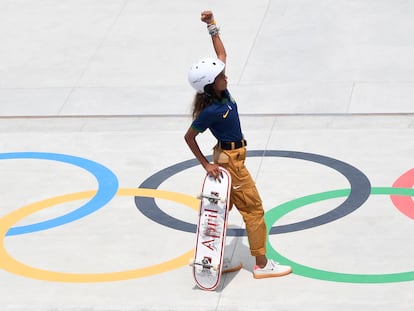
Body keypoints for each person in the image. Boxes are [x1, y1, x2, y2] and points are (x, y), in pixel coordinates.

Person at [184, 10, 292, 279]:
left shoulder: (222, 93)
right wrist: (205, 164)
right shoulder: (210, 110)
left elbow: (222, 55)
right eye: (221, 76)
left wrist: (212, 26)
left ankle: (215, 261)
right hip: (230, 162)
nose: (226, 76)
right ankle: (262, 264)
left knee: (219, 211)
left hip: (231, 156)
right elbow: (189, 137)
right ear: (211, 85)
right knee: (254, 210)